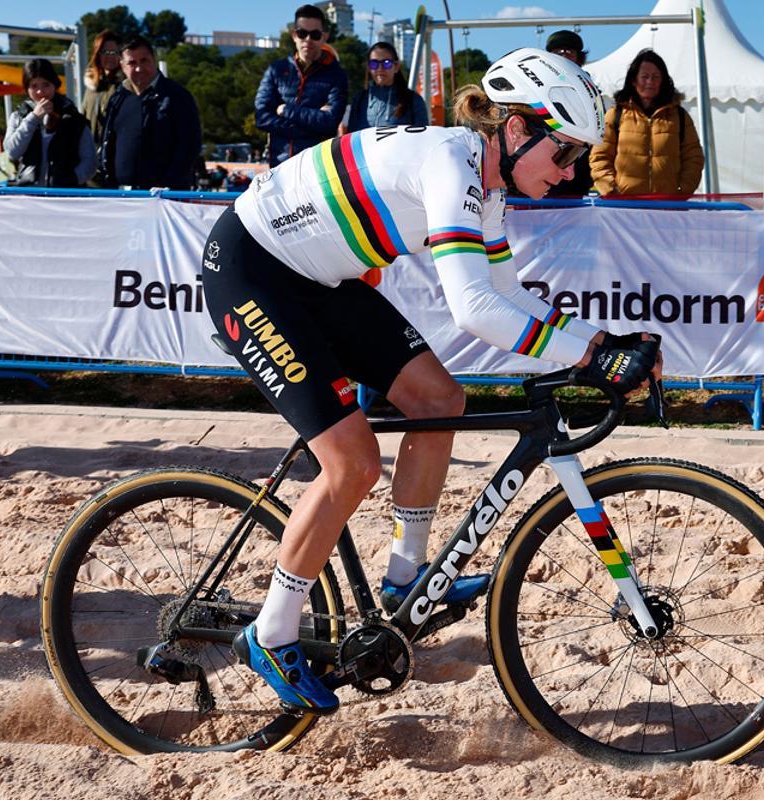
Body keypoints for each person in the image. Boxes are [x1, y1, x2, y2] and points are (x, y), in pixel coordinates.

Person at [201, 48, 661, 713]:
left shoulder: (491, 190)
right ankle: (271, 632)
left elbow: (508, 295)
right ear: (515, 129)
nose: (568, 174)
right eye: (563, 155)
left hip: (317, 281)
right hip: (253, 272)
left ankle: (406, 579)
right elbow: (475, 311)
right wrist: (590, 358)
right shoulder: (452, 166)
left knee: (440, 399)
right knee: (353, 464)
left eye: (577, 161)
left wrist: (600, 343)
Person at [589, 49, 703, 197]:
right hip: (624, 207)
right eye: (645, 77)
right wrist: (611, 190)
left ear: (663, 81)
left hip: (668, 207)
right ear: (633, 80)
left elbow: (693, 157)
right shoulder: (615, 115)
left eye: (656, 77)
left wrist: (682, 190)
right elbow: (599, 156)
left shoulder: (679, 116)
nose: (650, 82)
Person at [99, 36, 202, 190]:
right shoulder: (116, 99)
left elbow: (190, 145)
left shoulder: (177, 96)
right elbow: (108, 144)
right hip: (122, 197)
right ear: (122, 66)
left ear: (154, 60)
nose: (139, 68)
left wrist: (170, 185)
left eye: (144, 60)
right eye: (132, 63)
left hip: (164, 199)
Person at [255, 5, 348, 166]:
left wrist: (285, 110)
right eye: (302, 33)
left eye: (315, 34)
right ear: (294, 35)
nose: (308, 40)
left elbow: (330, 122)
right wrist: (311, 125)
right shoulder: (276, 70)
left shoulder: (337, 76)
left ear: (324, 37)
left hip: (316, 168)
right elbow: (261, 117)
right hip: (279, 168)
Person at [4, 59, 96, 187]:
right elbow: (11, 152)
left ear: (55, 85)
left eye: (46, 85)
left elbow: (89, 161)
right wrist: (33, 118)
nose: (40, 92)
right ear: (26, 88)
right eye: (34, 86)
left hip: (65, 196)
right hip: (30, 194)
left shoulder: (74, 118)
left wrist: (69, 182)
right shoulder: (18, 116)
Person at [543, 29, 594, 196]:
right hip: (539, 173)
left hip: (576, 178)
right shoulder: (536, 87)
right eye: (558, 51)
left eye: (570, 51)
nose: (563, 54)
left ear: (579, 58)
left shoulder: (591, 92)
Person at [343, 41, 427, 132]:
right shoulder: (359, 99)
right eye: (374, 64)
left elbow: (422, 138)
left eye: (386, 63)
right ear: (368, 67)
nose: (380, 69)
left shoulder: (413, 100)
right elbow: (352, 138)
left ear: (396, 66)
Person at [80, 31, 122, 148]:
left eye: (115, 52)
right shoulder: (91, 85)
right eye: (105, 52)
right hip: (91, 153)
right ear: (97, 54)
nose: (110, 56)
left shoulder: (127, 86)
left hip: (116, 153)